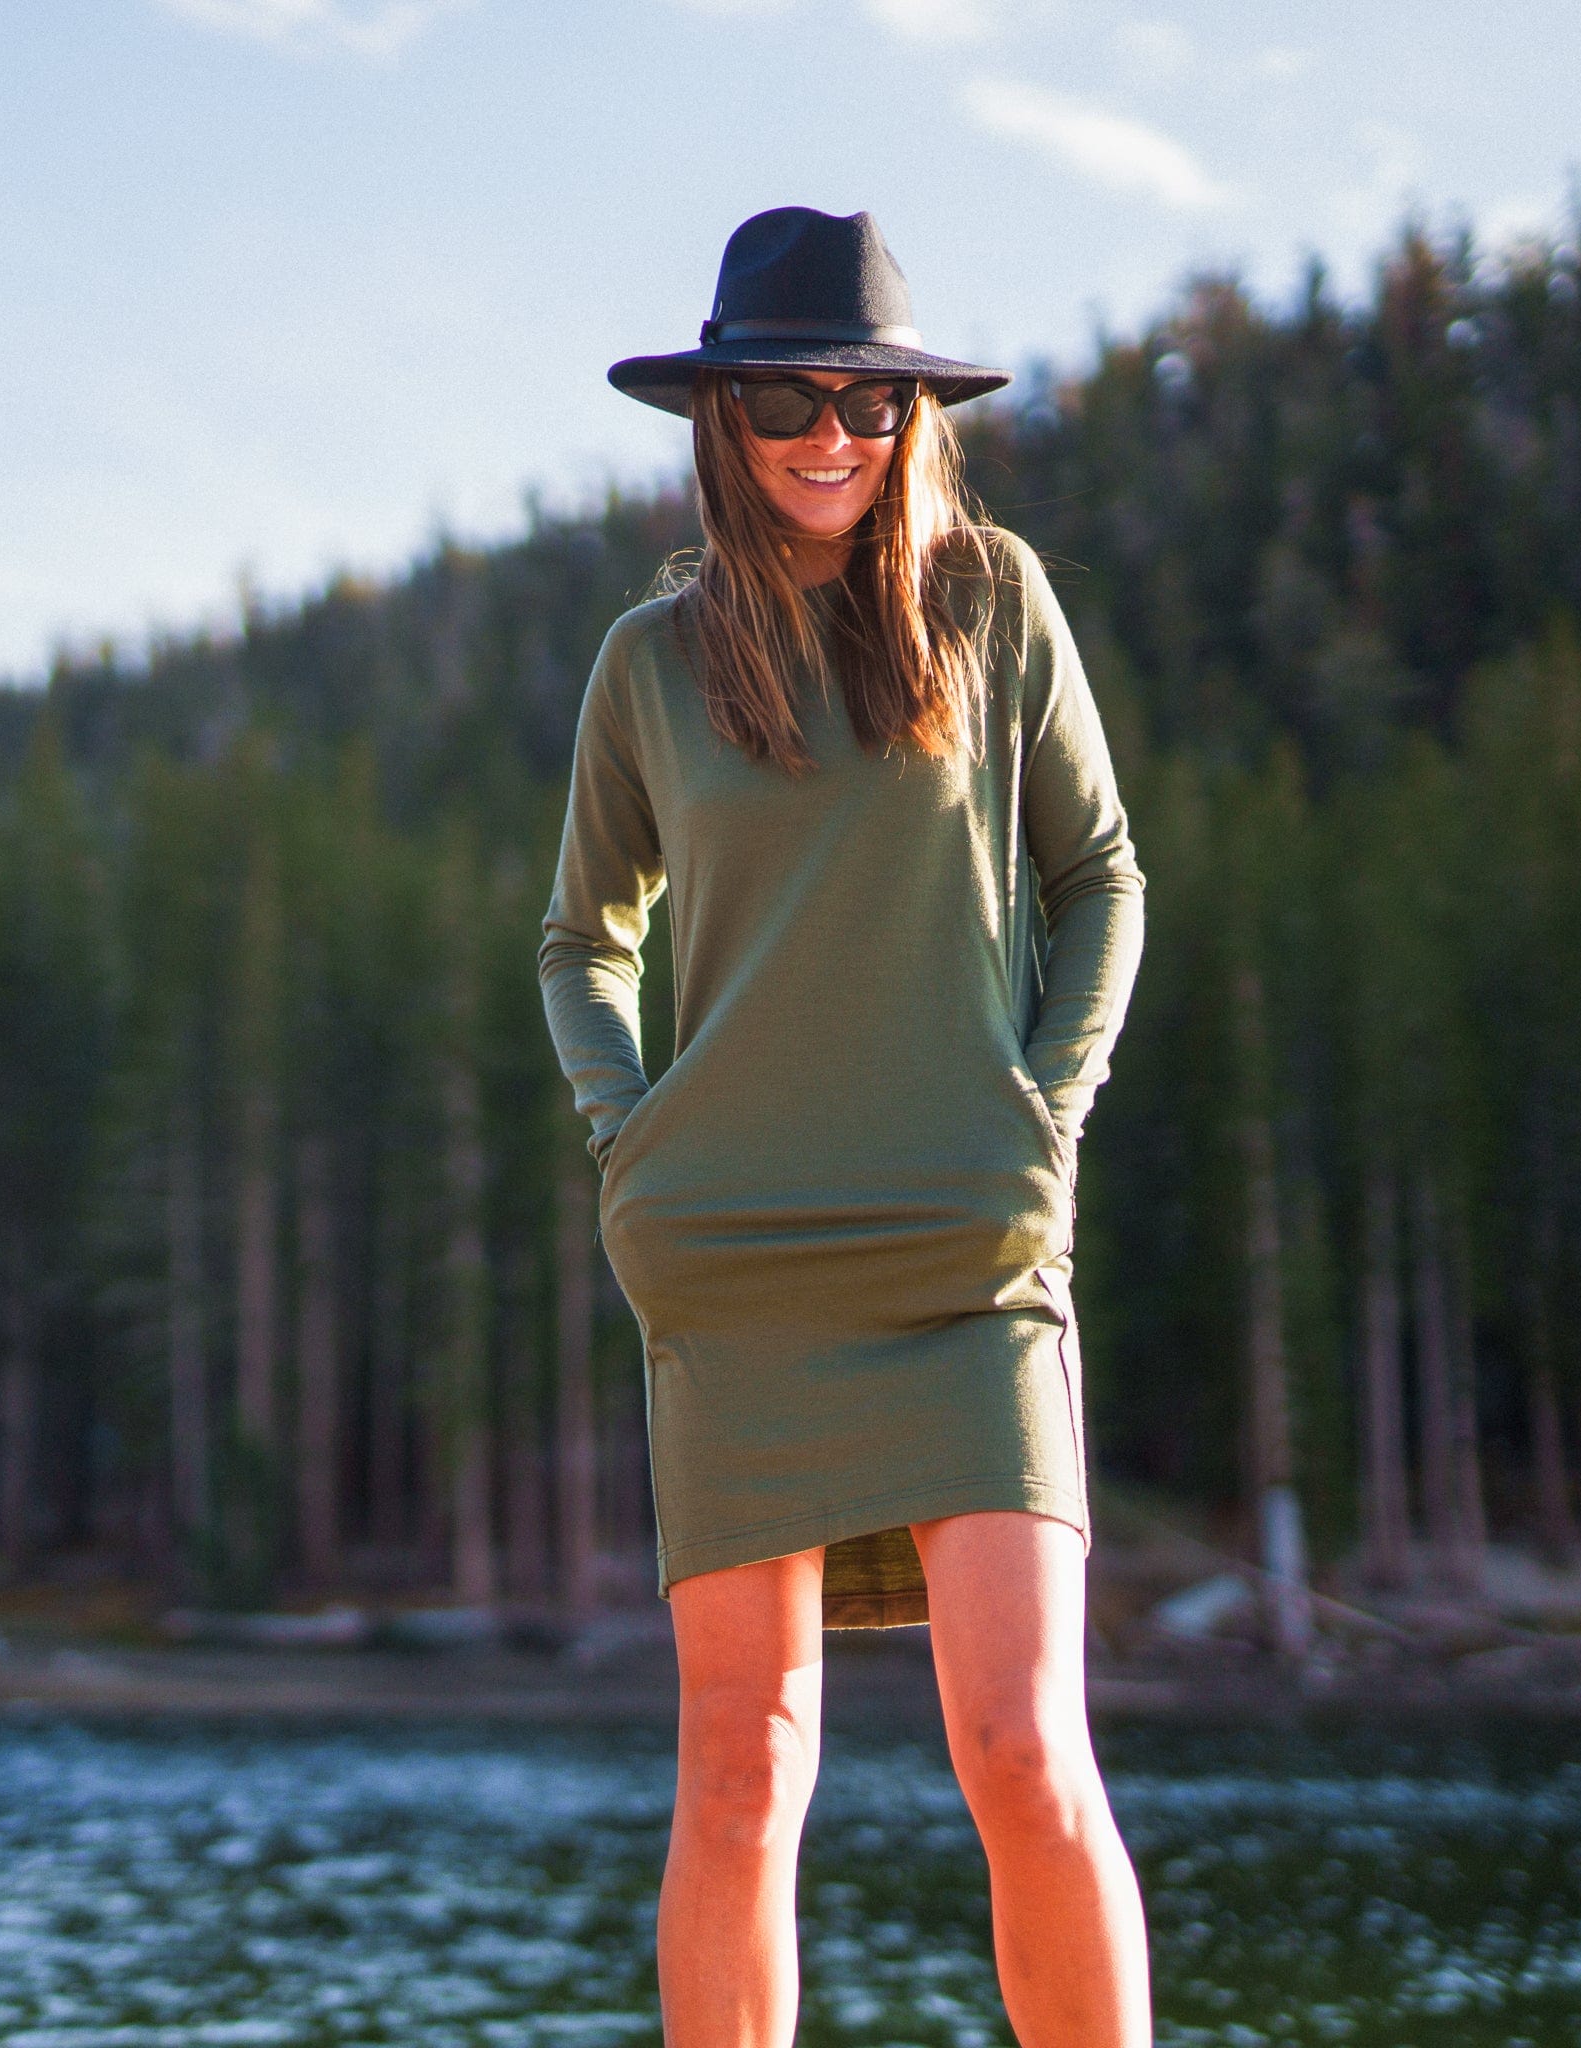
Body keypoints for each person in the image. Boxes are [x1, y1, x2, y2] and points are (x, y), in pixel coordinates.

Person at [539, 206, 1149, 2048]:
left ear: (913, 420)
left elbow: (1101, 878)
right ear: (722, 413)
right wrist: (626, 1140)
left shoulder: (993, 599)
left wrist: (1047, 1115)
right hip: (729, 1259)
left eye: (871, 403)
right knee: (741, 1769)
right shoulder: (651, 663)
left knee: (1025, 1749)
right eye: (792, 395)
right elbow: (584, 940)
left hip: (970, 1246)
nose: (832, 434)